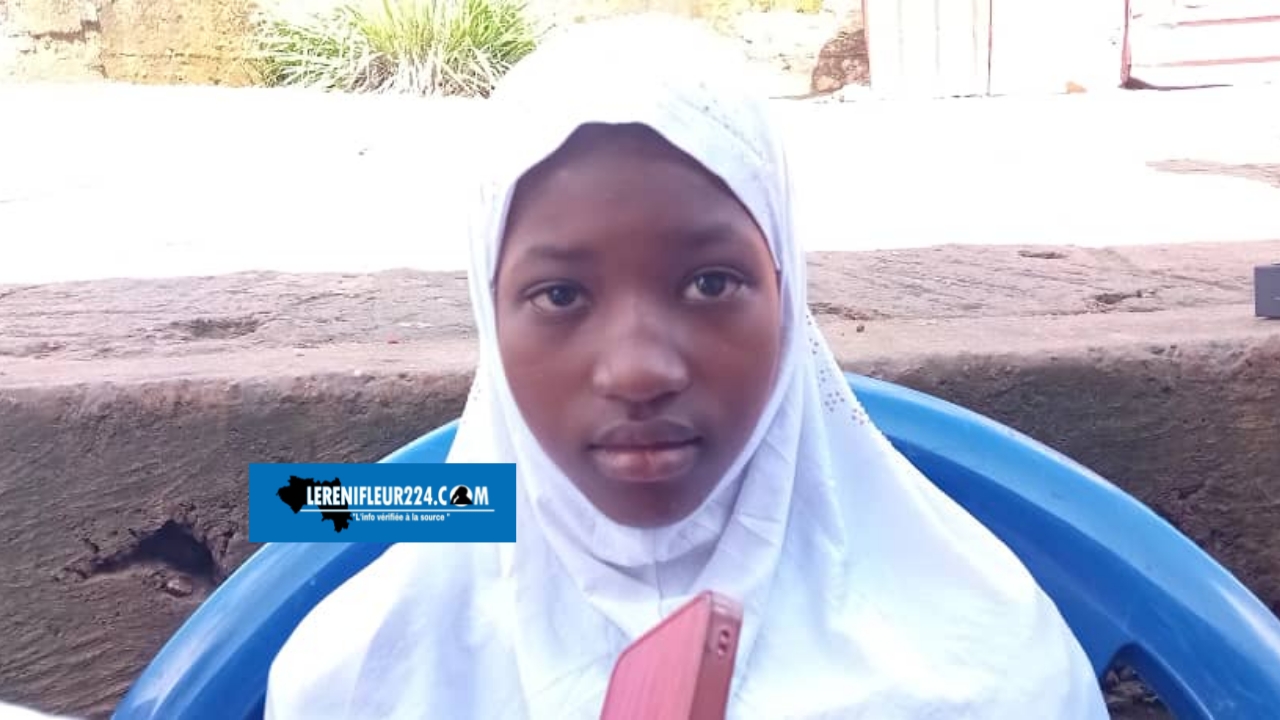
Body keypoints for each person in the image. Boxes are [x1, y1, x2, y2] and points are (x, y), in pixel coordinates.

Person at [266, 15, 1109, 719]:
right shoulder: (353, 684)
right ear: (489, 313)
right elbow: (306, 503)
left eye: (710, 283)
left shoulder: (993, 674)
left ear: (786, 293)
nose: (638, 372)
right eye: (560, 295)